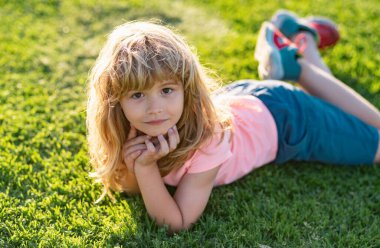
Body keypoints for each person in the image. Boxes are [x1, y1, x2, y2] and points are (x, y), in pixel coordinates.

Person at [86, 10, 380, 232]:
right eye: (137, 95)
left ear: (186, 90)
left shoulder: (209, 136)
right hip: (247, 102)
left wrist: (146, 168)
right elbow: (127, 186)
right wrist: (139, 165)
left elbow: (178, 221)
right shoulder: (125, 128)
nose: (154, 108)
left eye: (166, 90)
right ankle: (301, 40)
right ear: (115, 102)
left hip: (288, 119)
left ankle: (298, 67)